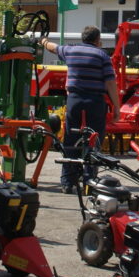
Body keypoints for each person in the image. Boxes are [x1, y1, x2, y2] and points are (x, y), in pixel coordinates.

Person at [39, 26, 121, 193]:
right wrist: (117, 108)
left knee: (70, 139)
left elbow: (53, 48)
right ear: (97, 40)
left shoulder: (70, 50)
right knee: (93, 140)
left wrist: (43, 41)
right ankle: (89, 181)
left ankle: (68, 182)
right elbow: (111, 84)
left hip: (74, 100)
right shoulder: (102, 56)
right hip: (95, 101)